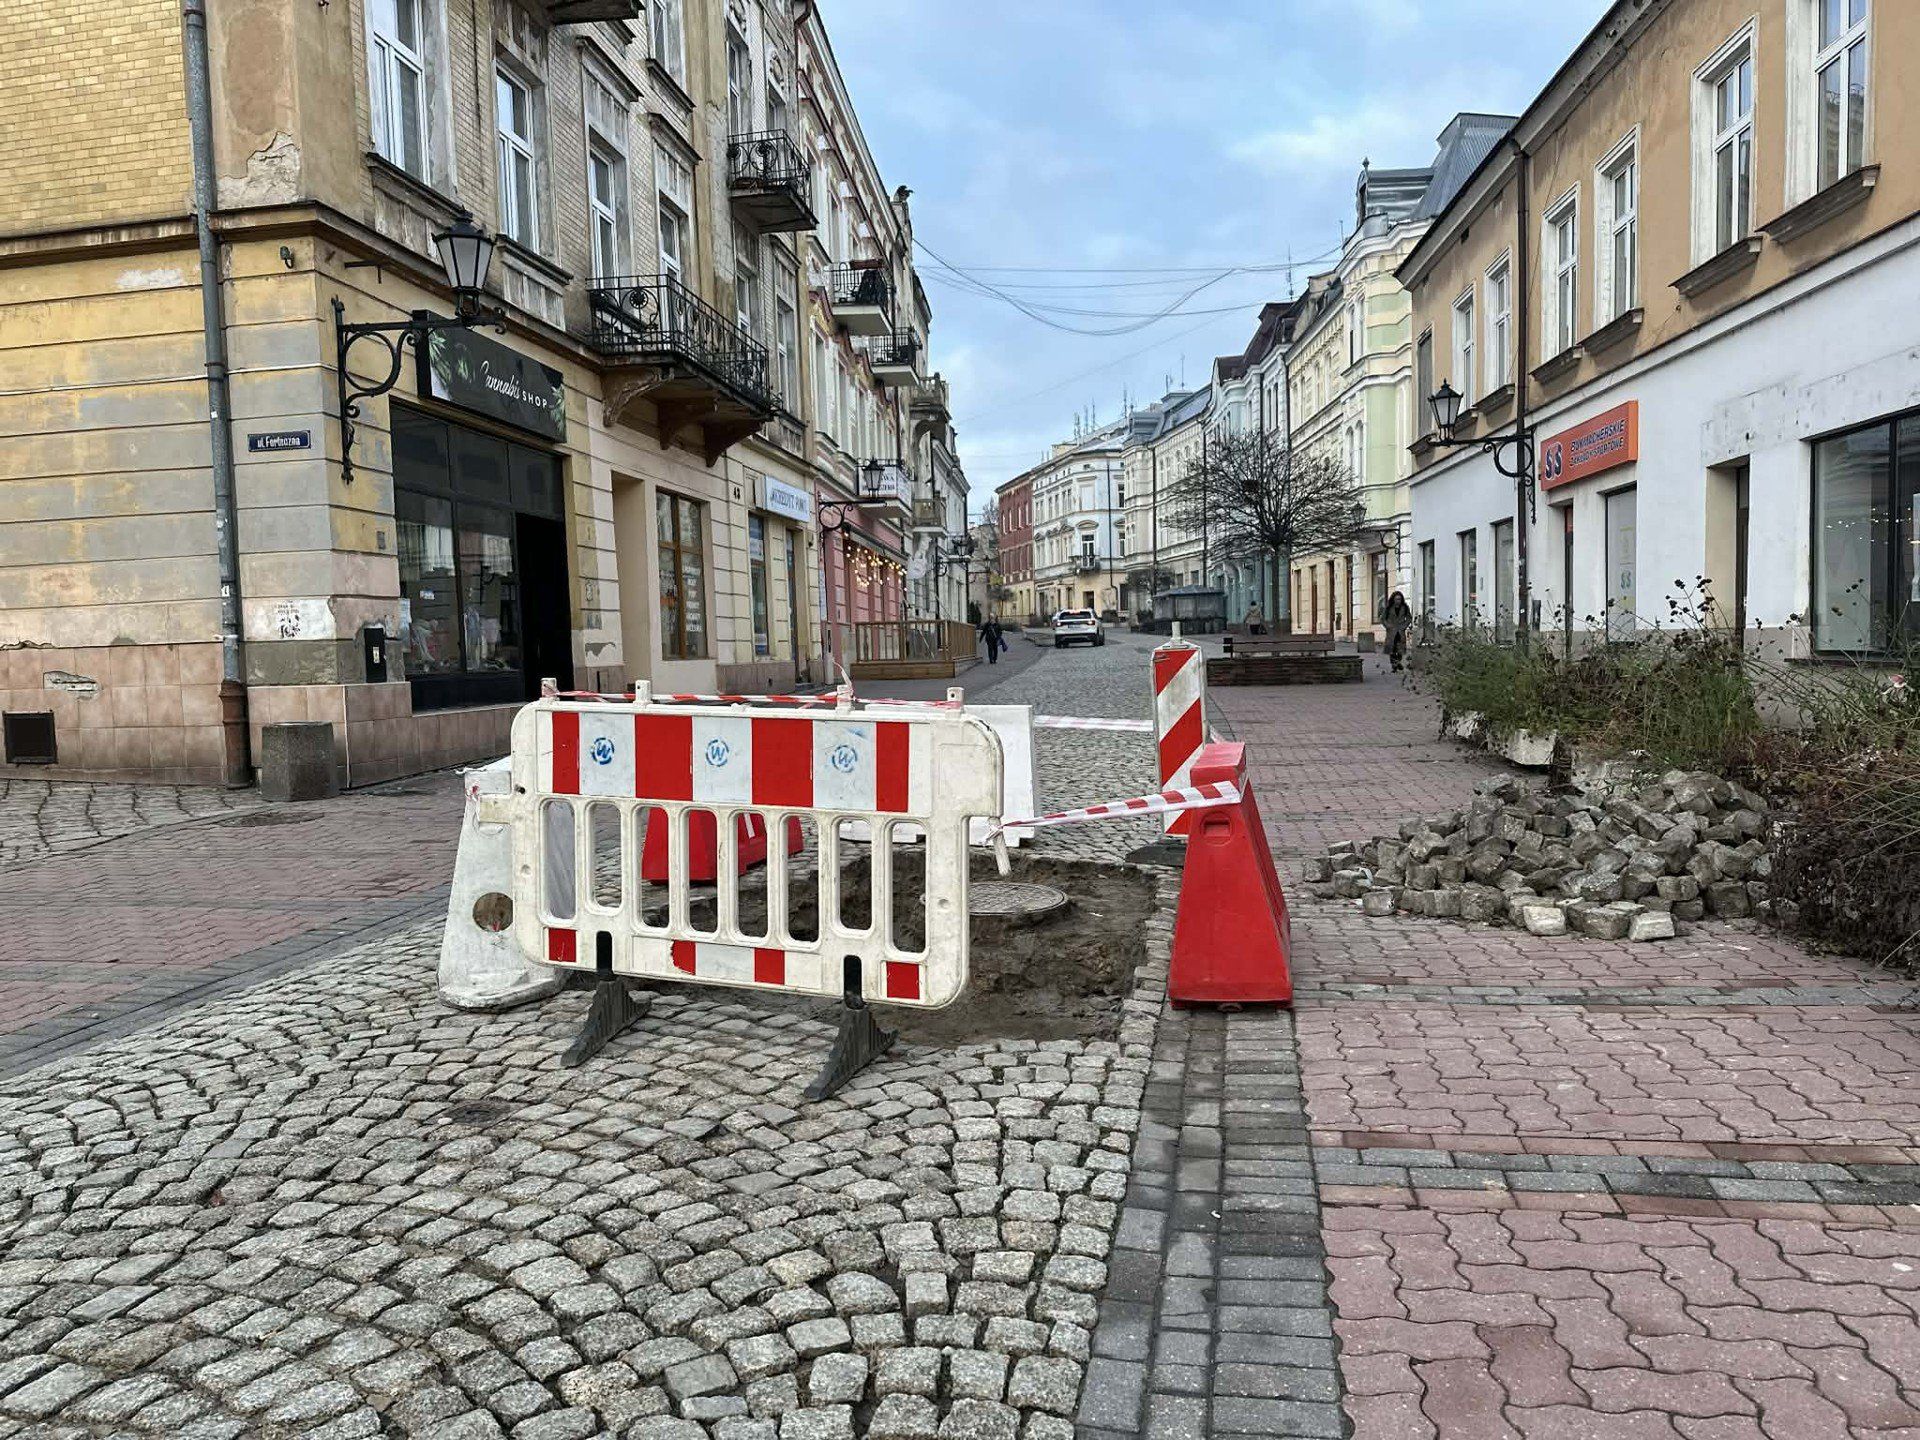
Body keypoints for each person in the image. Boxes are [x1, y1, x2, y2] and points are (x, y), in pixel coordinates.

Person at [1382, 590, 1415, 672]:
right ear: (1393, 599)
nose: (1398, 601)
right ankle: (1394, 666)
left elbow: (1409, 618)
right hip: (1391, 631)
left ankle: (1398, 662)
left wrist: (1404, 626)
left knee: (1400, 649)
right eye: (1396, 599)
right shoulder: (1389, 608)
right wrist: (1388, 626)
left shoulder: (1405, 607)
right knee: (1392, 649)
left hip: (1400, 631)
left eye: (1399, 599)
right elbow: (1383, 619)